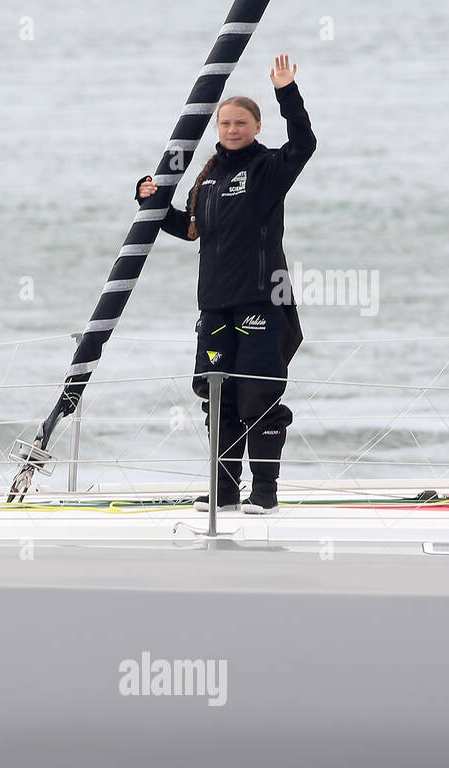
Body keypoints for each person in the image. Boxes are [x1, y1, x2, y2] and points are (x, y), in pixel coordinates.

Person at [136, 54, 315, 514]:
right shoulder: (209, 177)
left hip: (263, 299)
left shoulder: (269, 170)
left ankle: (266, 493)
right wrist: (151, 203)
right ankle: (225, 490)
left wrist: (286, 91)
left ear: (256, 126)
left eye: (240, 123)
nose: (232, 129)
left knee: (259, 394)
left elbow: (305, 143)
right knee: (218, 397)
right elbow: (193, 230)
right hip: (215, 305)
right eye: (225, 123)